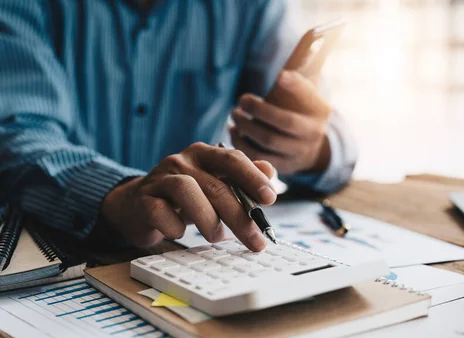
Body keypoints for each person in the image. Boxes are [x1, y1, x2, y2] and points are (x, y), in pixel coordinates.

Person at [0, 0, 357, 251]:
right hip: (50, 249)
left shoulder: (252, 6)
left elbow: (331, 133)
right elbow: (16, 136)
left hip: (193, 244)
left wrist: (312, 149)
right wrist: (119, 193)